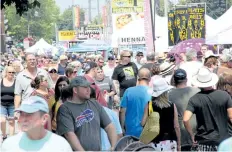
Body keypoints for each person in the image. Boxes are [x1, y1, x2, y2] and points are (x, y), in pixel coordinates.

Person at [56, 76, 117, 151]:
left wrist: (114, 147)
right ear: (75, 90)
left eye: (89, 86)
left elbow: (109, 126)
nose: (89, 89)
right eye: (85, 87)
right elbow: (69, 134)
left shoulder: (94, 103)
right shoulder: (65, 109)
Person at [183, 67, 232, 151]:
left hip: (204, 141)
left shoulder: (194, 99)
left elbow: (185, 119)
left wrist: (191, 135)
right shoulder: (224, 95)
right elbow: (231, 117)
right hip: (223, 140)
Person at [1, 96, 72, 151]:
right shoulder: (9, 145)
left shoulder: (60, 145)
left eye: (29, 114)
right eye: (21, 114)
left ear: (44, 118)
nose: (23, 119)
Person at [141, 77, 181, 151]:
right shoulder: (172, 105)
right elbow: (176, 126)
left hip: (153, 141)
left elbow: (142, 123)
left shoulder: (149, 105)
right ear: (166, 92)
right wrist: (179, 144)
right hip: (170, 140)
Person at [169, 69, 200, 150]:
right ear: (186, 79)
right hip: (197, 132)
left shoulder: (169, 95)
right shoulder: (197, 91)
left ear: (174, 80)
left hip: (180, 135)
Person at [120, 68, 152, 138]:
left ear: (138, 78)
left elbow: (122, 111)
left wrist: (122, 127)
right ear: (150, 79)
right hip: (148, 132)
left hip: (131, 131)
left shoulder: (128, 91)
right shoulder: (153, 92)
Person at [0, 66, 16, 140]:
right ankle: (4, 136)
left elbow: (18, 95)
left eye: (13, 72)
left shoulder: (16, 82)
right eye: (10, 72)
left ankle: (11, 140)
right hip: (2, 104)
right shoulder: (1, 81)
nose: (11, 73)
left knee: (11, 122)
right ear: (6, 73)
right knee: (2, 120)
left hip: (12, 105)